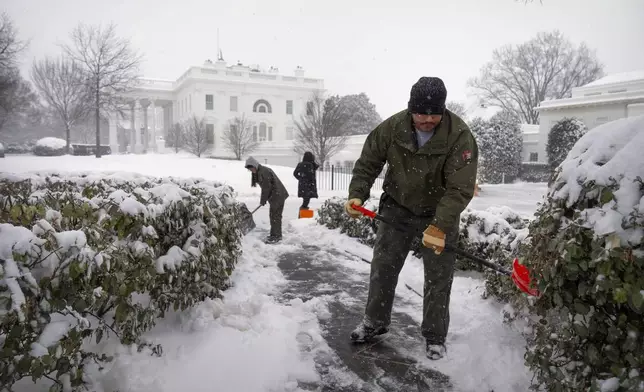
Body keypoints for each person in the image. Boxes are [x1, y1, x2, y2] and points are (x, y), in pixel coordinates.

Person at [344, 76, 479, 360]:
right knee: (383, 267)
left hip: (438, 211)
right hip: (398, 207)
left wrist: (439, 226)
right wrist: (357, 194)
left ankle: (434, 336)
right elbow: (368, 162)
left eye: (434, 114)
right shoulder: (392, 128)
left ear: (443, 110)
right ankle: (375, 323)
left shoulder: (459, 136)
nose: (428, 119)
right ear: (410, 109)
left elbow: (459, 188)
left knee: (438, 277)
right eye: (421, 113)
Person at [245, 156, 289, 244]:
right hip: (277, 194)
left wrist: (263, 200)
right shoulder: (261, 170)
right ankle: (275, 235)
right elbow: (266, 188)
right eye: (249, 169)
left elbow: (266, 188)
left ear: (255, 165)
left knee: (275, 216)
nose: (251, 170)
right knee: (275, 216)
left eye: (251, 168)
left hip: (277, 195)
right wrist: (264, 199)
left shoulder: (263, 172)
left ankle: (276, 236)